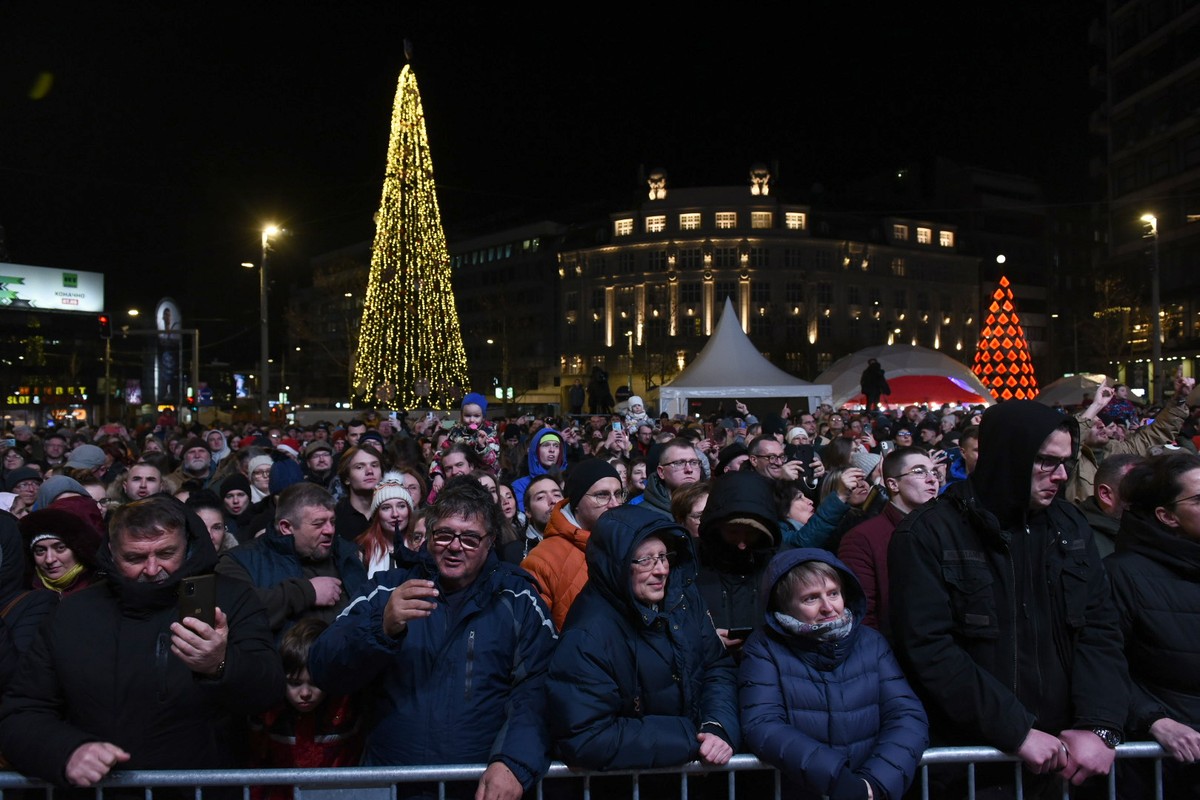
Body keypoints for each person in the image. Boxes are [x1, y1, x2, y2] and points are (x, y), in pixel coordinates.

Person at [888, 400, 1130, 797]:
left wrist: (1099, 725)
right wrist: (1015, 730)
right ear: (1008, 455)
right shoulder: (929, 533)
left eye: (1066, 462)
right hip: (972, 761)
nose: (1061, 475)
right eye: (1046, 462)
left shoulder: (1070, 527)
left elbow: (1099, 629)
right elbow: (927, 647)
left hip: (1070, 755)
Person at [0, 495, 283, 787]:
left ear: (187, 544)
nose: (151, 569)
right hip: (99, 792)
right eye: (134, 558)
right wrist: (65, 751)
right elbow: (22, 712)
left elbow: (268, 692)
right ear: (111, 552)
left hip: (201, 790)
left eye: (166, 553)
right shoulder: (72, 614)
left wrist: (220, 664)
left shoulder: (230, 598)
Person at [307, 477, 557, 800]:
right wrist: (380, 628)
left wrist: (513, 761)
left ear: (490, 541)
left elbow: (539, 688)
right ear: (428, 535)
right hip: (392, 784)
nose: (454, 546)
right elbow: (323, 666)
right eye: (444, 535)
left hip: (479, 786)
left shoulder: (517, 598)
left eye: (469, 538)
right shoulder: (386, 591)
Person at [546, 504, 739, 771]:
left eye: (663, 556)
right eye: (645, 560)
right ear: (618, 566)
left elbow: (716, 667)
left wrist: (717, 726)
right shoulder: (587, 635)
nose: (661, 570)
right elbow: (586, 736)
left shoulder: (683, 598)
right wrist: (689, 736)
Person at [740, 548, 928, 800]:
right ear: (785, 606)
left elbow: (906, 715)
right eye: (811, 598)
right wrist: (837, 778)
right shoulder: (764, 647)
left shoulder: (871, 643)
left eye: (833, 593)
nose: (829, 607)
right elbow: (763, 723)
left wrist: (873, 783)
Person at [1104, 452, 1200, 797]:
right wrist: (1154, 721)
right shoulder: (1122, 574)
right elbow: (1103, 664)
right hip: (1160, 766)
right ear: (1166, 515)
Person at [217, 482, 368, 636]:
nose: (330, 530)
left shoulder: (345, 554)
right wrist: (306, 593)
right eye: (318, 523)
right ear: (286, 528)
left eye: (332, 521)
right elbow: (238, 613)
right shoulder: (239, 561)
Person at [247, 617, 363, 799]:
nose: (305, 693)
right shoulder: (270, 711)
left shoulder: (345, 706)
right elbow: (257, 764)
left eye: (315, 683)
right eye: (294, 683)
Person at [837, 447, 939, 636]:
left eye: (934, 472)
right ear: (892, 484)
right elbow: (864, 615)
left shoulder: (944, 530)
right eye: (919, 471)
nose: (932, 478)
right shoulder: (861, 539)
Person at [521, 458, 623, 629]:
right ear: (576, 503)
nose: (614, 504)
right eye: (602, 495)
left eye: (619, 494)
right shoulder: (542, 560)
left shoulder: (630, 542)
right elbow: (531, 633)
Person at [19, 507, 103, 595]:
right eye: (40, 551)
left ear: (77, 550)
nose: (49, 560)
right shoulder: (25, 593)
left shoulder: (100, 589)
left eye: (60, 548)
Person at [356, 472, 415, 578]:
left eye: (401, 506)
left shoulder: (419, 545)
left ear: (409, 511)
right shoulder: (363, 549)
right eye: (386, 508)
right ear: (377, 515)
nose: (395, 514)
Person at [511, 427, 567, 514]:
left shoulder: (568, 482)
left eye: (556, 446)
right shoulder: (519, 486)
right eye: (546, 445)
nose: (552, 450)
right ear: (536, 451)